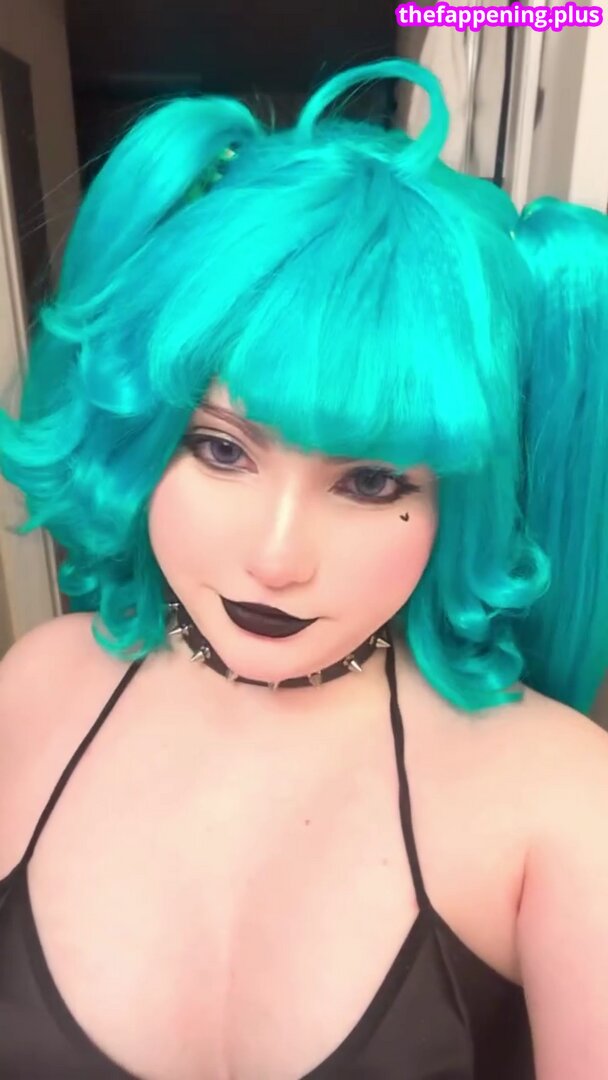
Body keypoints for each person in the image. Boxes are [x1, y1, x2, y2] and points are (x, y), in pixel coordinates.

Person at [0, 56, 607, 1080]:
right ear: (145, 438)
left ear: (456, 500)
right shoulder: (34, 693)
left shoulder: (559, 798)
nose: (276, 558)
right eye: (220, 449)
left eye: (369, 481)